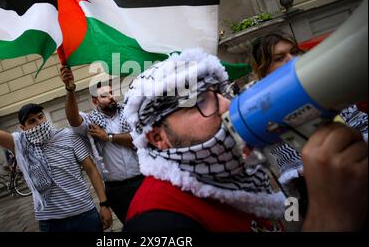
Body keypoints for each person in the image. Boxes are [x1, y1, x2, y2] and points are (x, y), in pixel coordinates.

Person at [122, 48, 367, 231]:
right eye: (199, 101)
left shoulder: (246, 168)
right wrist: (328, 218)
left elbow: (286, 214)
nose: (227, 104)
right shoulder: (156, 221)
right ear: (158, 137)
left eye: (219, 92)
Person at [0, 86, 112, 232]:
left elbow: (91, 169)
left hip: (84, 214)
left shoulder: (68, 136)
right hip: (51, 222)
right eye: (32, 121)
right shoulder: (21, 143)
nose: (39, 122)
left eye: (40, 117)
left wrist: (104, 204)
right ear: (23, 128)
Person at [250, 32, 368, 208]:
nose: (292, 59)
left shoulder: (328, 85)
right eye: (280, 58)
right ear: (264, 71)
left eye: (294, 52)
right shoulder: (267, 115)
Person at [60, 67, 144, 224]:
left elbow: (138, 139)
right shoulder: (91, 122)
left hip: (142, 180)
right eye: (104, 96)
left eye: (111, 93)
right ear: (95, 101)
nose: (111, 97)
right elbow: (73, 119)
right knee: (132, 226)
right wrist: (70, 89)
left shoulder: (129, 113)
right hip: (116, 189)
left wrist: (109, 137)